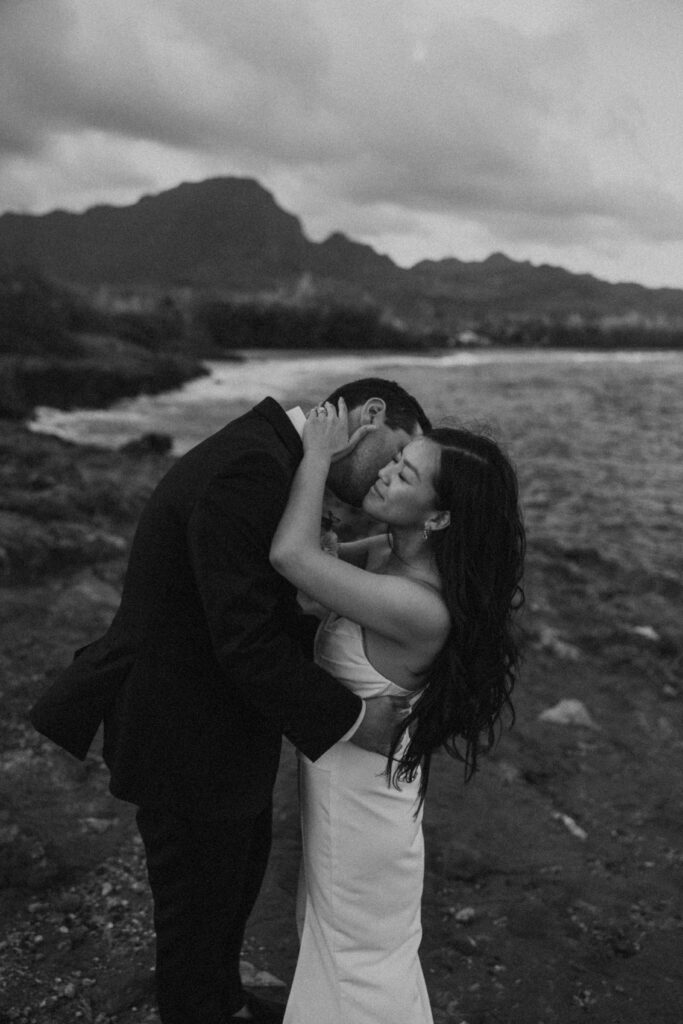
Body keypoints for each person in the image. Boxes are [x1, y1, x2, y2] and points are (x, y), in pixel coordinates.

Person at [29, 379, 431, 1024]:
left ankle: (223, 1000)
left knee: (232, 885)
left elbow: (257, 614)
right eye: (397, 454)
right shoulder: (252, 468)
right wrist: (354, 717)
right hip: (183, 732)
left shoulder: (271, 458)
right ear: (371, 415)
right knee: (195, 910)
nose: (389, 476)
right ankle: (201, 1005)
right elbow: (244, 638)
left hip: (218, 727)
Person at [269, 400, 525, 1024]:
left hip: (362, 822)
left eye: (404, 475)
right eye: (397, 459)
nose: (384, 473)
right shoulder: (389, 554)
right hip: (351, 799)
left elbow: (292, 558)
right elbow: (315, 577)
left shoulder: (420, 606)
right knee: (342, 955)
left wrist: (318, 454)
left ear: (438, 517)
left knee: (357, 971)